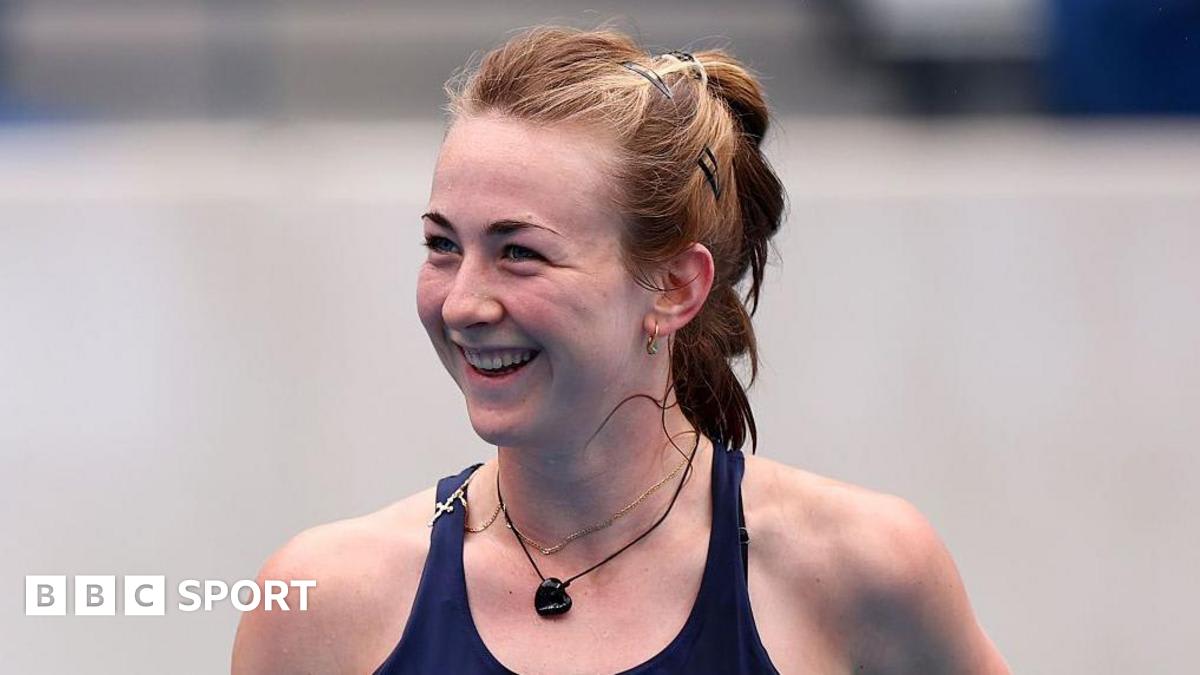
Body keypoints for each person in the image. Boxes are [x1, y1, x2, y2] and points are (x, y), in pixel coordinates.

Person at [232, 26, 1010, 674]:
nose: (463, 301)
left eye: (519, 253)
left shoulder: (859, 569)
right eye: (442, 245)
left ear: (674, 286)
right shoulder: (323, 600)